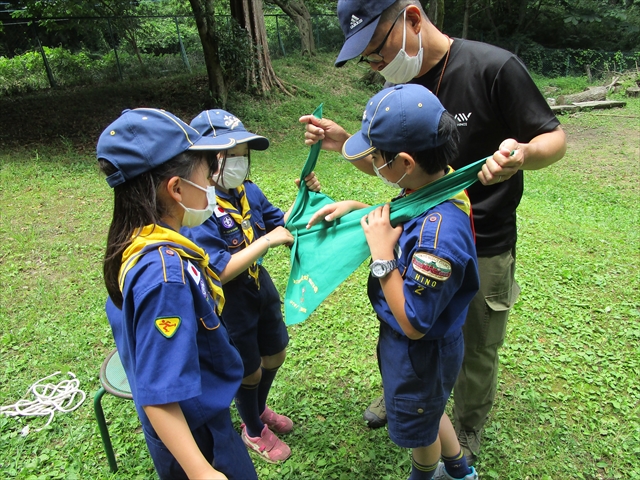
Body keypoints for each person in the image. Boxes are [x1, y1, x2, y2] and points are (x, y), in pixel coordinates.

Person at [300, 0, 567, 464]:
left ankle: (463, 427)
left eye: (376, 48)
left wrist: (522, 155)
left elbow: (554, 138)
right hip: (416, 231)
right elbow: (404, 177)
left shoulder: (493, 67)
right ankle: (413, 391)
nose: (375, 63)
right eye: (366, 57)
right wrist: (346, 144)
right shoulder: (399, 85)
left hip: (482, 237)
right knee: (420, 326)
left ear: (413, 18)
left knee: (475, 342)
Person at [308, 84, 479, 480]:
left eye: (377, 157)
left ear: (404, 161)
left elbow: (414, 324)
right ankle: (460, 472)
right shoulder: (435, 184)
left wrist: (384, 259)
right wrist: (356, 210)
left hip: (421, 352)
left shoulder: (439, 237)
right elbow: (406, 212)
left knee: (421, 427)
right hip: (425, 352)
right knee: (432, 409)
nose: (373, 163)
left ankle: (427, 474)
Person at [98, 108, 258, 480]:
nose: (212, 184)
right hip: (197, 437)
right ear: (176, 188)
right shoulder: (164, 276)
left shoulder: (137, 241)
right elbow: (159, 394)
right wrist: (203, 472)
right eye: (207, 174)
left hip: (194, 423)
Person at [185, 109, 320, 464]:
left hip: (259, 287)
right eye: (232, 155)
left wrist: (304, 197)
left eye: (244, 154)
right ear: (207, 160)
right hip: (228, 303)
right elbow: (219, 271)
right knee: (249, 369)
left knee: (275, 352)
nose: (240, 163)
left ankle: (257, 408)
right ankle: (252, 428)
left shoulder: (249, 192)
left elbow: (283, 225)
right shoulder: (199, 208)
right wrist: (265, 244)